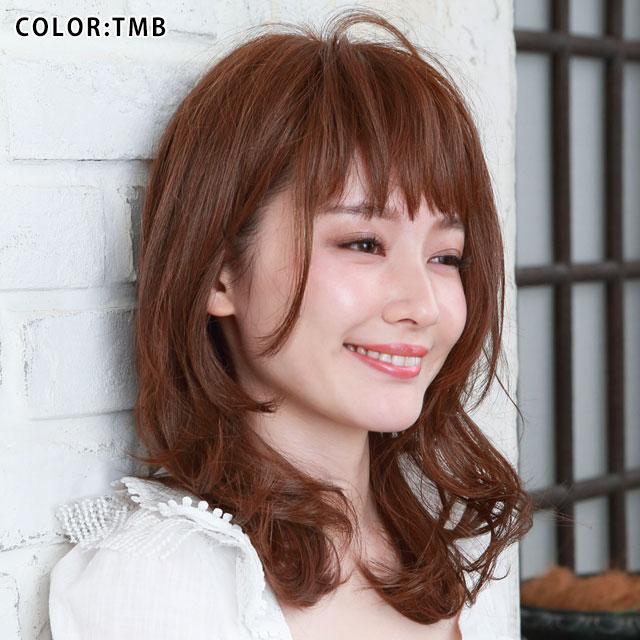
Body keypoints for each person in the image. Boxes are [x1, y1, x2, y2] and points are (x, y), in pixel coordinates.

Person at [48, 8, 533, 639]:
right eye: (363, 243)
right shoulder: (165, 580)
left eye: (446, 257)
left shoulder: (452, 552)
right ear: (220, 273)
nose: (423, 304)